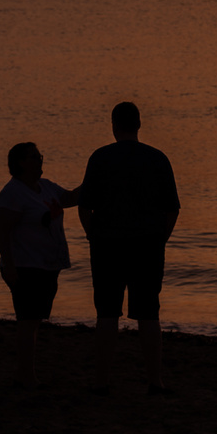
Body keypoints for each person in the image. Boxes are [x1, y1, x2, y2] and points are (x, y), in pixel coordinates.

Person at [78, 102, 181, 395]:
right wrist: (162, 238)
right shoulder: (158, 159)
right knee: (149, 314)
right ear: (139, 124)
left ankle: (101, 381)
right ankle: (155, 381)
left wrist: (91, 235)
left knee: (107, 313)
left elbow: (85, 207)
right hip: (147, 244)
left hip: (107, 244)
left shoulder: (100, 158)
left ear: (113, 125)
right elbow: (172, 209)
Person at [0, 142, 80, 388]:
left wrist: (95, 178)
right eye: (34, 156)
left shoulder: (46, 187)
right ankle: (25, 375)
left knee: (34, 320)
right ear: (21, 162)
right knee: (27, 320)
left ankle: (26, 373)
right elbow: (2, 232)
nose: (40, 159)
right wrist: (9, 266)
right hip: (25, 265)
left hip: (48, 266)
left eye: (40, 155)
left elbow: (71, 198)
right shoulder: (12, 193)